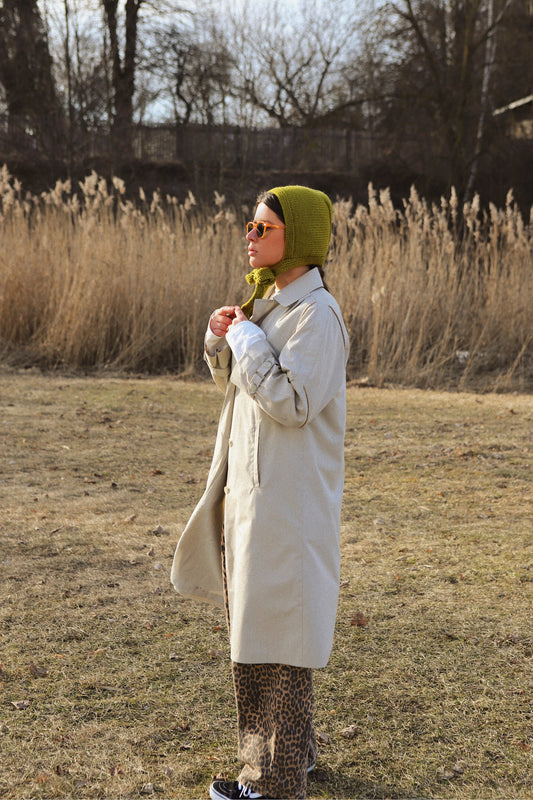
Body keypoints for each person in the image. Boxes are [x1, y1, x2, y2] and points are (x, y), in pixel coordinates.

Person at [171, 185, 349, 800]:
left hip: (287, 505)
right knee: (259, 631)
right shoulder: (274, 306)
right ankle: (295, 758)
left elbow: (291, 401)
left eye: (263, 227)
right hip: (257, 496)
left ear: (297, 238)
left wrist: (247, 342)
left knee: (277, 639)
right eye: (249, 225)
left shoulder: (316, 316)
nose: (249, 235)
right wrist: (222, 339)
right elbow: (242, 385)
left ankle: (271, 782)